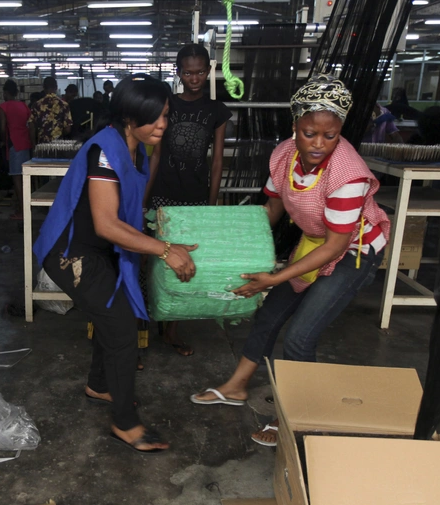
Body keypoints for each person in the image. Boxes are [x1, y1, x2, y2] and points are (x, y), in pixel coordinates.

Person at [190, 75, 390, 448]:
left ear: (340, 131)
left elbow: (334, 247)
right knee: (269, 315)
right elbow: (272, 209)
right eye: (309, 132)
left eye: (329, 136)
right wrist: (223, 243)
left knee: (300, 337)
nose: (318, 144)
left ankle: (298, 422)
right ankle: (236, 387)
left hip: (353, 252)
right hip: (315, 243)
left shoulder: (348, 175)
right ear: (294, 126)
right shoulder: (284, 155)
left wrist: (275, 277)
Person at [33, 75, 197, 454]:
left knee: (113, 311)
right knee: (121, 322)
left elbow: (128, 208)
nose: (162, 124)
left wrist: (161, 238)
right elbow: (107, 222)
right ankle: (126, 424)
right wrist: (163, 249)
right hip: (71, 252)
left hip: (101, 250)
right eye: (154, 117)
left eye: (166, 115)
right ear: (128, 116)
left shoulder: (139, 148)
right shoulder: (104, 151)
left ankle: (100, 384)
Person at [145, 43, 231, 357]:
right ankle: (145, 321)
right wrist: (143, 198)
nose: (193, 78)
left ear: (208, 72)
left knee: (183, 263)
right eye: (187, 72)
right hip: (163, 192)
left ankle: (171, 329)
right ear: (178, 72)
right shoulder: (167, 104)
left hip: (195, 196)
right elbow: (155, 155)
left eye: (199, 72)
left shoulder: (216, 110)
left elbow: (217, 160)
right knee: (149, 257)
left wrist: (211, 204)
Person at [0, 79, 34, 220]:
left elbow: (2, 128)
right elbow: (31, 125)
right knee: (25, 177)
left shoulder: (4, 107)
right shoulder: (24, 106)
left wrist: (2, 141)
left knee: (17, 177)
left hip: (14, 144)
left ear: (6, 93)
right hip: (26, 143)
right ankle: (23, 207)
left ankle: (23, 211)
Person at [31, 76, 72, 144]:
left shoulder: (36, 105)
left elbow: (32, 128)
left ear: (43, 88)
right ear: (56, 87)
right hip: (59, 145)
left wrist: (33, 147)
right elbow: (68, 129)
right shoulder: (64, 105)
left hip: (42, 146)